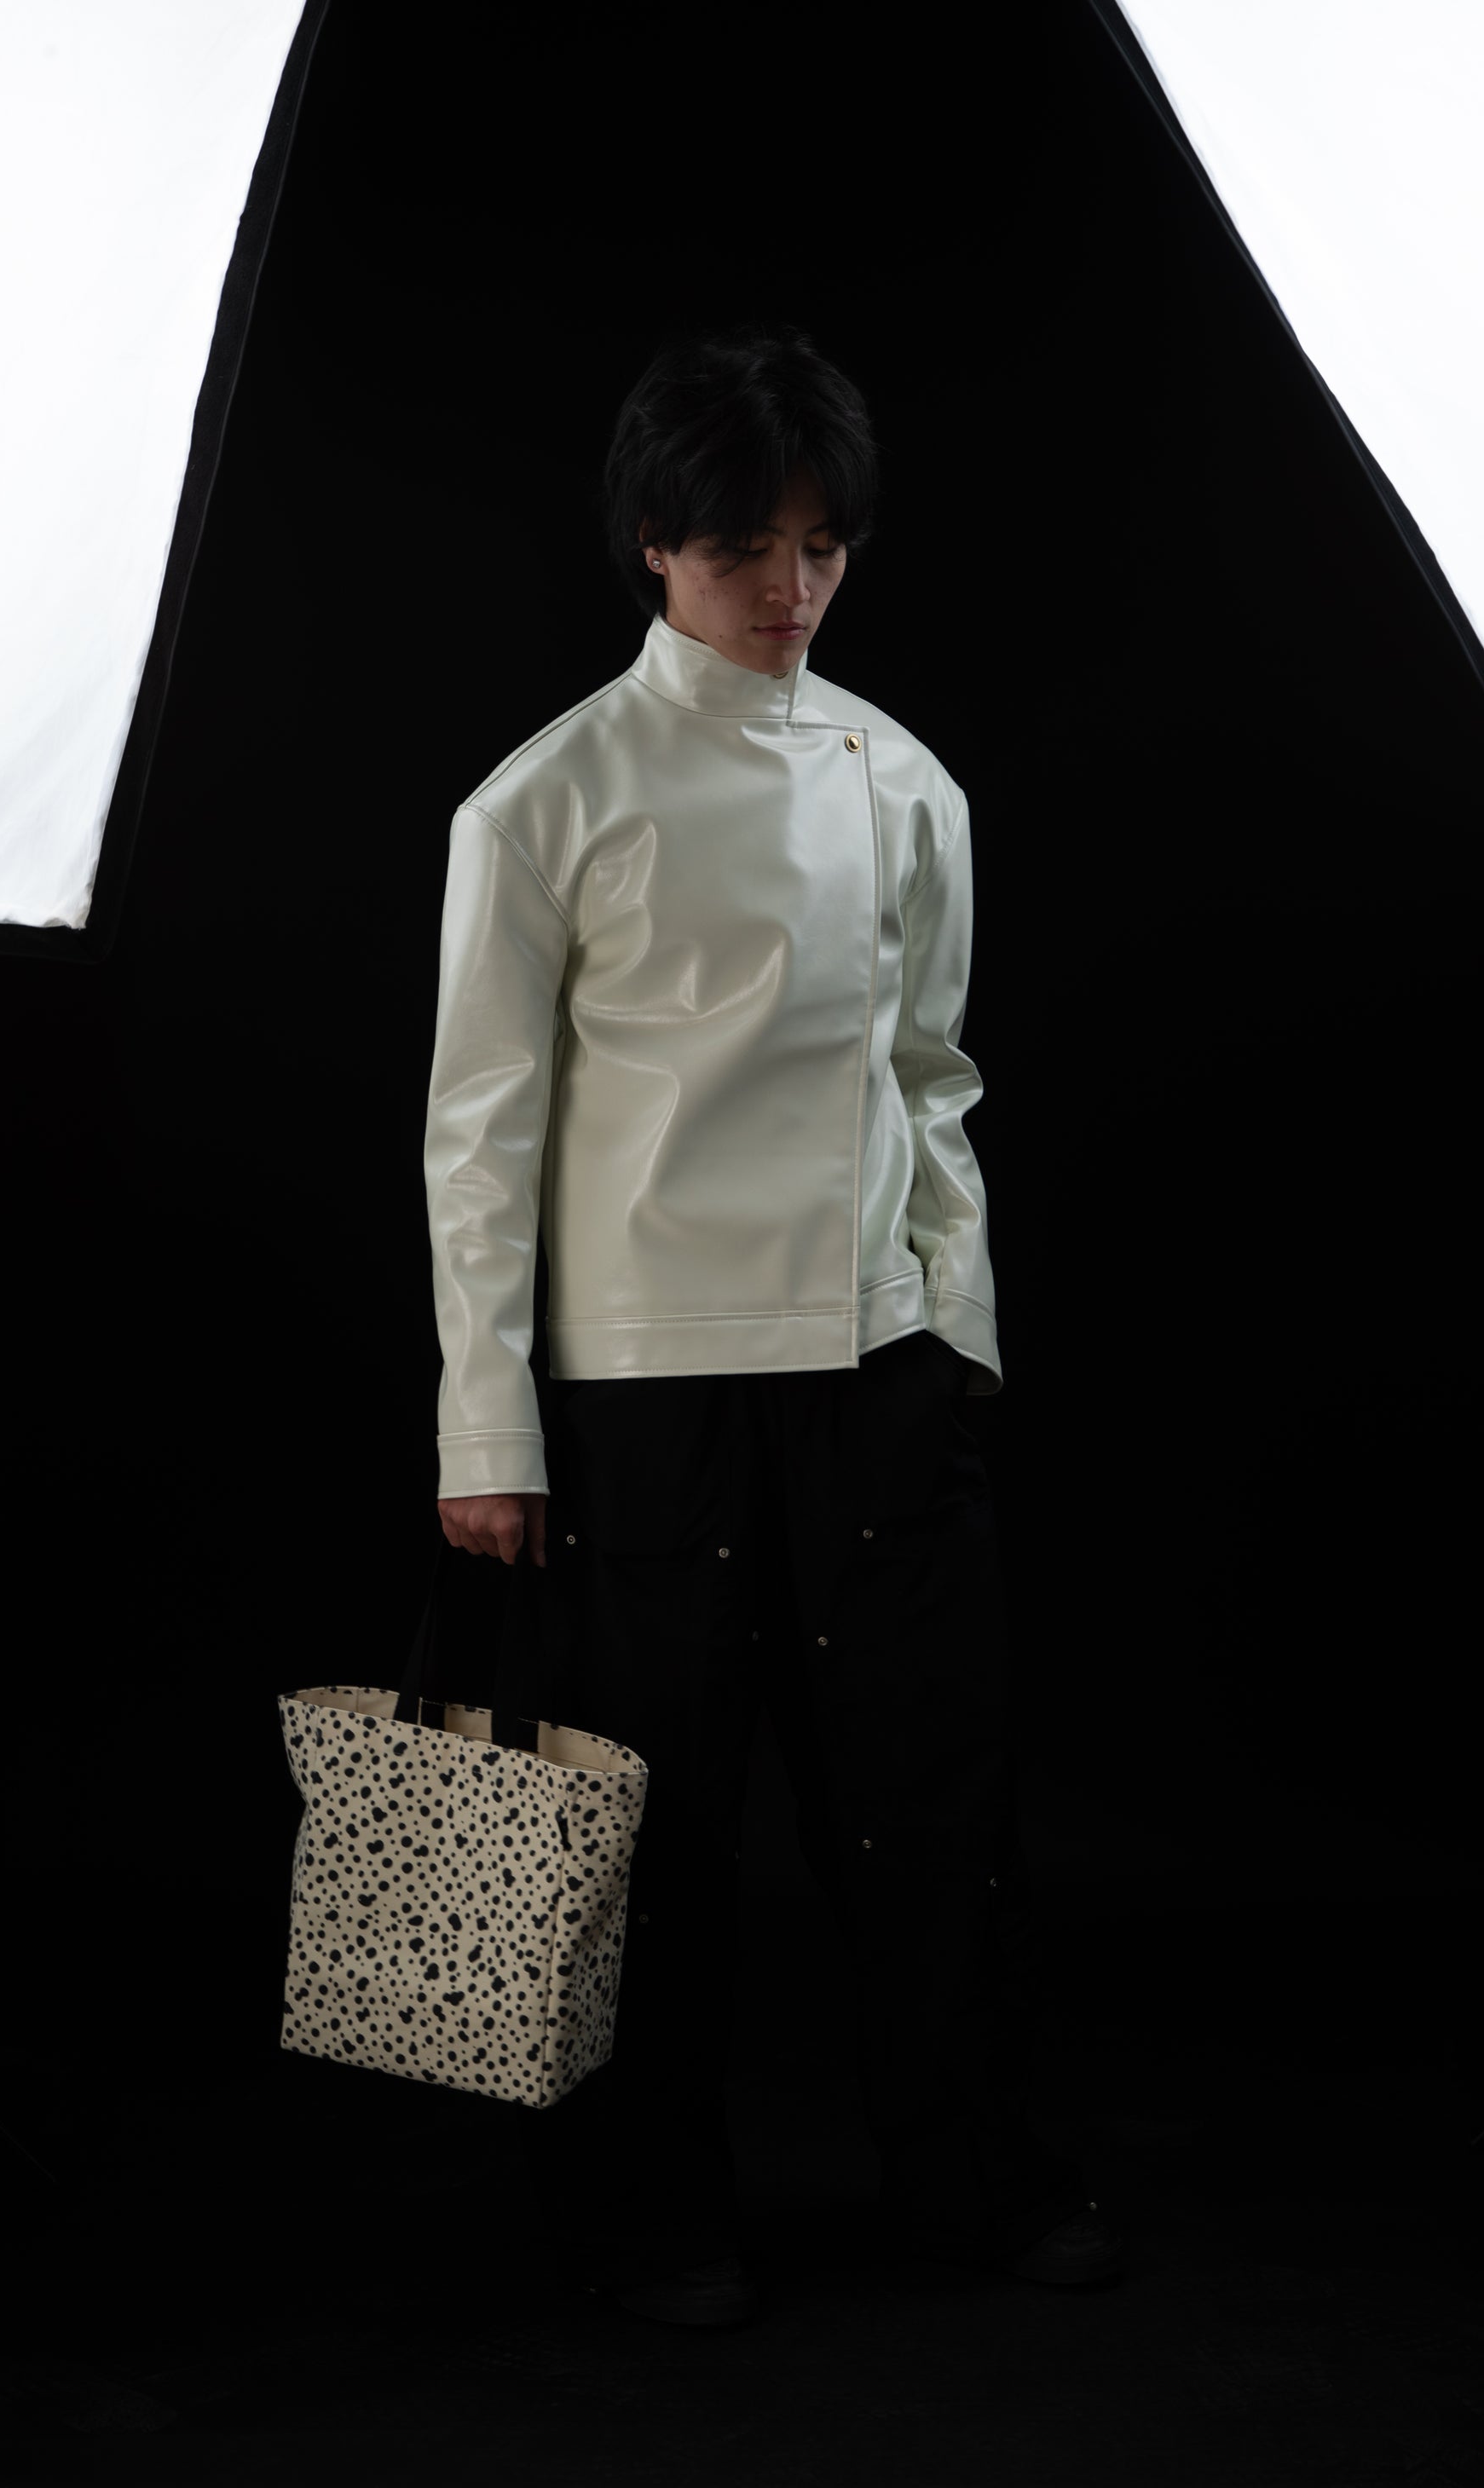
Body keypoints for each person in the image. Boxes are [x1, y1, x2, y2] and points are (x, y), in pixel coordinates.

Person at [424, 320, 1123, 2325]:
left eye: (822, 545)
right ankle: (642, 2215)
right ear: (656, 542)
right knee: (638, 1819)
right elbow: (480, 1130)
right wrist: (487, 1424)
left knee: (931, 1800)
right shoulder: (545, 797)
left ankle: (974, 2176)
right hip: (641, 1383)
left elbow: (933, 1080)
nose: (789, 586)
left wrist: (955, 1329)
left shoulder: (902, 779)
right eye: (745, 546)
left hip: (874, 1365)